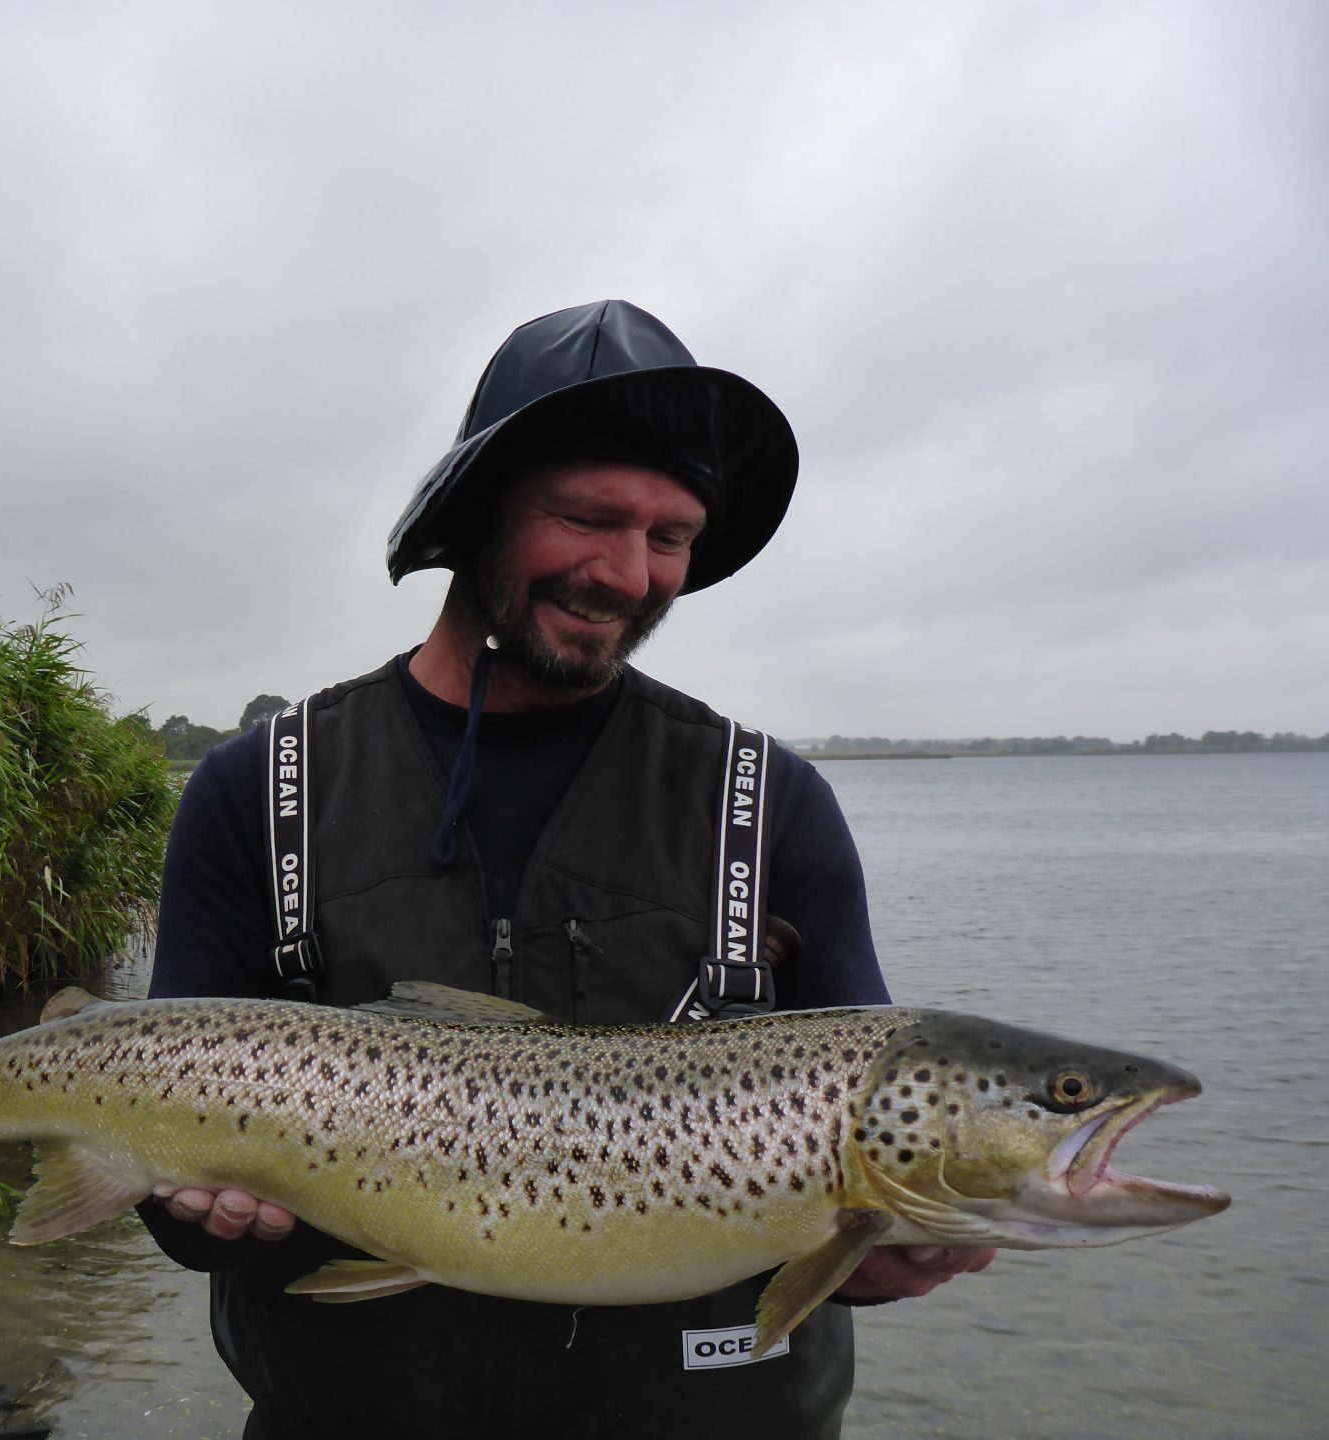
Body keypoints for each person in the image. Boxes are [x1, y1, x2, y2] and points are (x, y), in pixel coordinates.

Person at [138, 301, 993, 1439]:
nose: (629, 574)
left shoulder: (774, 806)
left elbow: (860, 1151)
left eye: (671, 537)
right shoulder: (258, 790)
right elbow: (166, 1186)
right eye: (588, 518)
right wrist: (205, 1212)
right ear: (478, 509)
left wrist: (887, 1251)